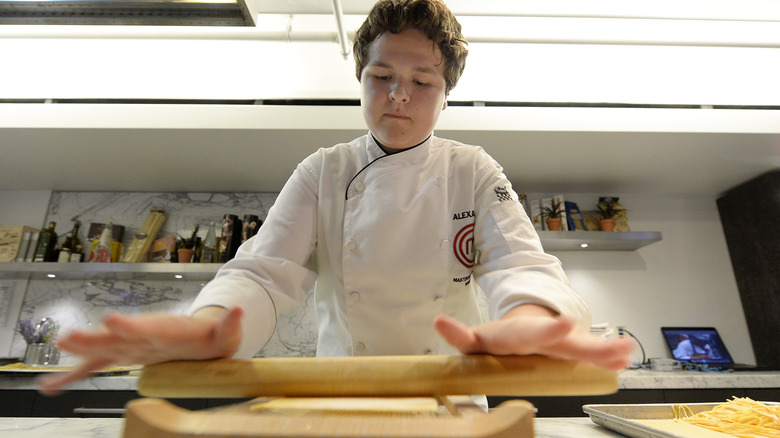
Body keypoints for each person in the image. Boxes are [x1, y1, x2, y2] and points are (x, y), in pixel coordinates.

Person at [39, 0, 632, 396]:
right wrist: (213, 326)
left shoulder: (471, 169)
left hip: (452, 396)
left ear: (446, 94)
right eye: (381, 77)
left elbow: (518, 263)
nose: (399, 95)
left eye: (422, 81)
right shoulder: (324, 170)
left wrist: (531, 320)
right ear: (360, 79)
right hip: (343, 392)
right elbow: (264, 273)